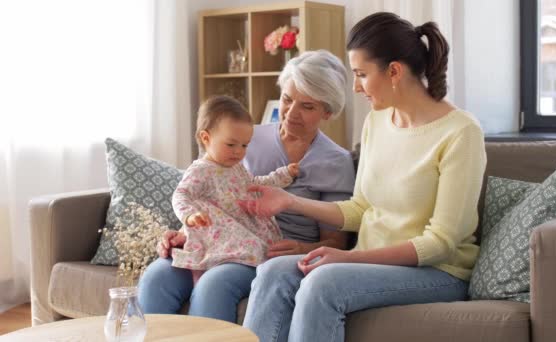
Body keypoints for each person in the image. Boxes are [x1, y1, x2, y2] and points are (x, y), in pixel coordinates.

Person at [239, 12, 487, 342]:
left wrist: (349, 257)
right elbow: (359, 209)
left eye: (361, 74)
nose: (355, 87)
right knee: (273, 272)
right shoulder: (377, 121)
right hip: (368, 262)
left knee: (323, 283)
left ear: (394, 71)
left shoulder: (461, 132)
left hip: (437, 272)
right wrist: (289, 200)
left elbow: (440, 244)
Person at [137, 49, 356, 323]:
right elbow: (212, 192)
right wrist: (186, 230)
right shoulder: (244, 137)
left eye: (307, 106)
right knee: (156, 277)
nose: (291, 113)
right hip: (220, 240)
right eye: (287, 99)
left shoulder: (336, 161)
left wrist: (301, 248)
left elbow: (337, 243)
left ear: (328, 111)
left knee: (213, 285)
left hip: (269, 254)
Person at [170, 95, 299, 285]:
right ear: (206, 138)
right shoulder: (201, 170)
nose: (239, 151)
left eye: (244, 145)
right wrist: (189, 215)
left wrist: (283, 174)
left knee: (261, 247)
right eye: (231, 144)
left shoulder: (236, 167)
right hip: (220, 233)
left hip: (242, 229)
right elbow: (181, 194)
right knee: (253, 248)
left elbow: (255, 184)